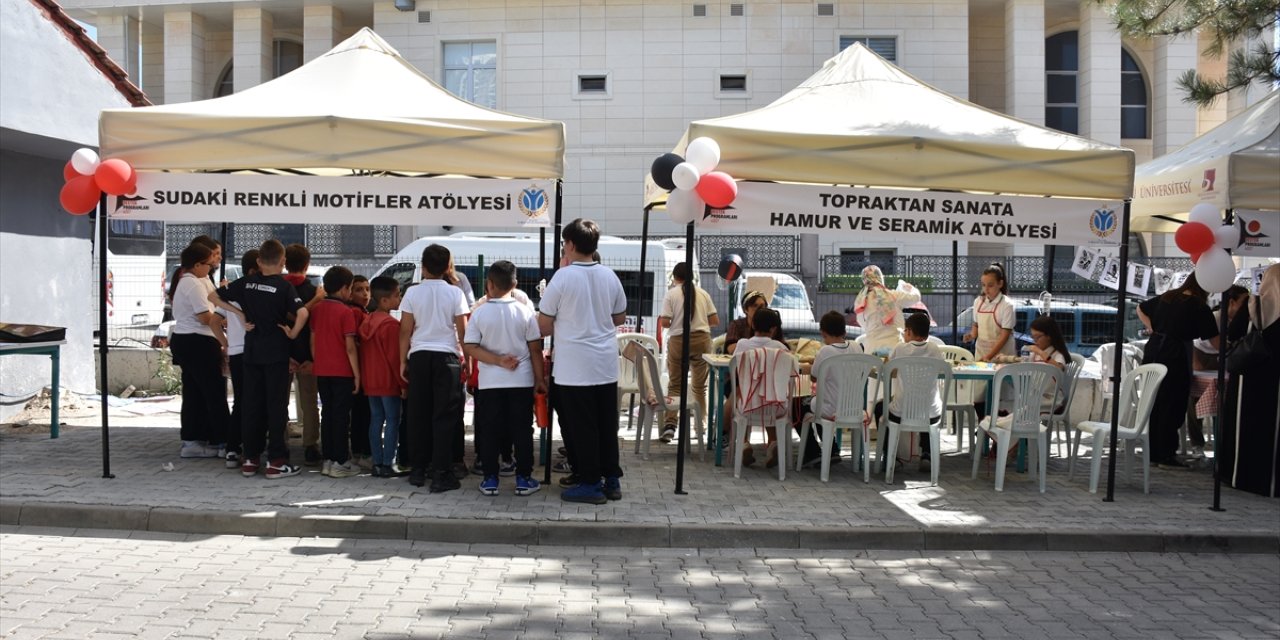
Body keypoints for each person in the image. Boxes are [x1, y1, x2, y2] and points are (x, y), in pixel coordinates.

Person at [538, 218, 628, 505]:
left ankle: (590, 483)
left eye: (565, 243)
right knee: (605, 424)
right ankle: (610, 479)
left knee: (582, 426)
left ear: (571, 245)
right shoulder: (609, 276)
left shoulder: (562, 278)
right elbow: (620, 318)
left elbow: (543, 325)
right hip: (604, 363)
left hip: (574, 366)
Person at [210, 239, 308, 479]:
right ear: (283, 262)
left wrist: (240, 314)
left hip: (251, 352)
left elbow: (213, 297)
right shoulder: (284, 287)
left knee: (251, 405)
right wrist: (293, 333)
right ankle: (276, 461)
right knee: (276, 407)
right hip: (275, 352)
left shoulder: (246, 283)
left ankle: (250, 460)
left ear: (258, 261)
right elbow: (303, 312)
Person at [464, 260, 546, 497]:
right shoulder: (526, 313)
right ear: (515, 284)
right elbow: (535, 350)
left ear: (489, 284)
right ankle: (524, 479)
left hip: (490, 382)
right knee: (522, 430)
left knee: (490, 430)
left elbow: (470, 347)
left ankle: (490, 479)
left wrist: (497, 361)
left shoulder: (479, 313)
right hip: (521, 381)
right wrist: (540, 379)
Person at [399, 244, 469, 492]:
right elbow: (463, 332)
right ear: (447, 266)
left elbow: (405, 330)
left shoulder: (412, 293)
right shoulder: (456, 293)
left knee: (417, 414)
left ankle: (418, 469)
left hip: (419, 356)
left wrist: (402, 361)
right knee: (445, 416)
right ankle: (441, 471)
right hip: (447, 358)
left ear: (423, 266)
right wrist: (467, 362)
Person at [1136, 273, 1218, 469]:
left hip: (1155, 349)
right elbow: (1215, 340)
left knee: (1156, 402)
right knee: (1173, 403)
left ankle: (1154, 452)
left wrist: (1155, 328)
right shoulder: (1199, 306)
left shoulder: (1169, 296)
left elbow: (1140, 308)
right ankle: (1166, 454)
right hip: (1176, 354)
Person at [1221, 264, 1280, 497]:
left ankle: (1238, 475)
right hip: (1274, 381)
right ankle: (1269, 482)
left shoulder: (1252, 304)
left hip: (1247, 377)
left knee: (1243, 428)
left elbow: (1233, 333)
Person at [169, 242, 230, 459]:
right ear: (196, 265)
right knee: (213, 393)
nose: (212, 266)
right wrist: (226, 321)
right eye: (208, 262)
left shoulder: (199, 280)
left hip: (194, 341)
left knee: (197, 393)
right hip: (196, 342)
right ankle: (223, 441)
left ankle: (196, 438)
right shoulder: (192, 284)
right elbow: (204, 317)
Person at [873, 312, 945, 473]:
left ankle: (890, 456)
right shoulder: (934, 349)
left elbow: (887, 371)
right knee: (925, 404)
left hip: (900, 413)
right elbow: (942, 369)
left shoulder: (900, 348)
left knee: (879, 407)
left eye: (905, 331)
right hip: (932, 414)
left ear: (910, 332)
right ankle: (926, 454)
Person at [657, 262, 719, 442]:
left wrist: (678, 318)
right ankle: (701, 426)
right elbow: (714, 320)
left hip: (678, 341)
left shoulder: (671, 294)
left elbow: (665, 323)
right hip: (702, 340)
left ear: (675, 277)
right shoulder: (703, 293)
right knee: (700, 387)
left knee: (675, 384)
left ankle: (670, 425)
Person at [310, 266, 362, 479]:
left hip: (322, 369)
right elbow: (350, 347)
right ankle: (340, 461)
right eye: (350, 288)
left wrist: (318, 360)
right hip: (342, 370)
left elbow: (312, 342)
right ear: (344, 289)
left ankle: (328, 459)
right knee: (341, 417)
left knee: (327, 414)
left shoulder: (317, 309)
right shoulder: (346, 312)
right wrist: (357, 374)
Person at [1187, 285, 1250, 455]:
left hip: (1224, 358)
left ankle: (1225, 441)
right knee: (1193, 396)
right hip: (1203, 356)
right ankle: (1196, 443)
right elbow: (1216, 346)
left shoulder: (1243, 321)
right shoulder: (1215, 318)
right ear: (1231, 302)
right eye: (1243, 303)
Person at [729, 307, 791, 468]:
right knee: (770, 396)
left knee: (741, 399)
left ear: (753, 325)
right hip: (777, 407)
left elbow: (736, 371)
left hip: (748, 406)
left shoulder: (742, 345)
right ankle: (773, 444)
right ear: (774, 328)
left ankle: (743, 444)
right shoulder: (781, 348)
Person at [360, 277, 407, 479]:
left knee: (376, 420)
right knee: (393, 421)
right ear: (384, 301)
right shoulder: (390, 325)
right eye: (397, 295)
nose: (400, 298)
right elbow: (395, 358)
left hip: (371, 380)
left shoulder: (367, 321)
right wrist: (403, 383)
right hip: (388, 381)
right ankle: (389, 462)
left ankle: (377, 462)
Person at [799, 310, 855, 469]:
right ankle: (832, 450)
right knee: (816, 403)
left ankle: (813, 452)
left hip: (830, 408)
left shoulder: (825, 351)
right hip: (854, 409)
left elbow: (814, 377)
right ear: (844, 331)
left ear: (822, 333)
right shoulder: (856, 347)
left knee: (800, 405)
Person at [284, 243, 324, 466]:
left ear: (285, 263)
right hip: (308, 355)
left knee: (279, 401)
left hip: (282, 355)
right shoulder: (313, 292)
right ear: (307, 265)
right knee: (309, 403)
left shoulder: (279, 287)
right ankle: (310, 446)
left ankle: (281, 445)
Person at [223, 249, 259, 470]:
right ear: (255, 269)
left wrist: (226, 344)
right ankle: (248, 449)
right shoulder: (251, 291)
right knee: (253, 402)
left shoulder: (231, 290)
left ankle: (232, 448)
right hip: (252, 351)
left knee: (240, 402)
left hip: (236, 351)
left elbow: (215, 320)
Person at [853, 264, 921, 356]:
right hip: (895, 350)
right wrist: (909, 288)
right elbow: (916, 297)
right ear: (880, 277)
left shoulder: (860, 302)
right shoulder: (894, 296)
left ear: (864, 280)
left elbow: (863, 324)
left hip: (872, 351)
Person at [963, 263, 1016, 362]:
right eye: (983, 285)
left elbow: (1004, 337)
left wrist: (989, 356)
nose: (986, 289)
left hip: (1002, 356)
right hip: (981, 352)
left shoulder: (1007, 305)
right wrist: (971, 335)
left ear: (1000, 284)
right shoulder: (978, 302)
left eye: (990, 285)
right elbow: (976, 325)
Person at [347, 275, 372, 469]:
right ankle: (361, 450)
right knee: (361, 412)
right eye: (359, 290)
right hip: (359, 370)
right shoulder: (355, 313)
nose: (365, 293)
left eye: (367, 289)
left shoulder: (363, 311)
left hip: (363, 368)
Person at [725, 290, 785, 355]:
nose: (759, 309)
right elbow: (731, 349)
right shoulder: (736, 325)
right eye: (755, 306)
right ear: (745, 309)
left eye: (762, 306)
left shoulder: (771, 324)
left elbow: (784, 347)